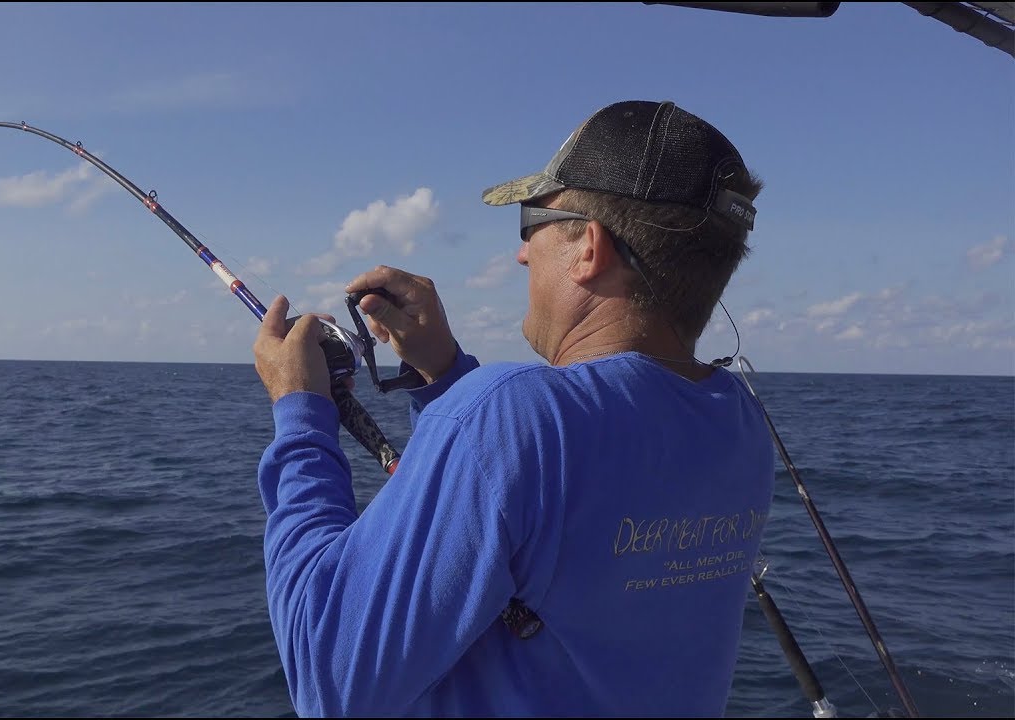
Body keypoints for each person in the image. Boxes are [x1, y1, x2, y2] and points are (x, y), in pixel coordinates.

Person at [252, 99, 775, 717]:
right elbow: (561, 517)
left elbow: (327, 680)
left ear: (590, 249)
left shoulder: (508, 415)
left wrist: (301, 415)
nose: (522, 253)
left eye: (533, 222)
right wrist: (444, 372)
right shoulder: (739, 422)